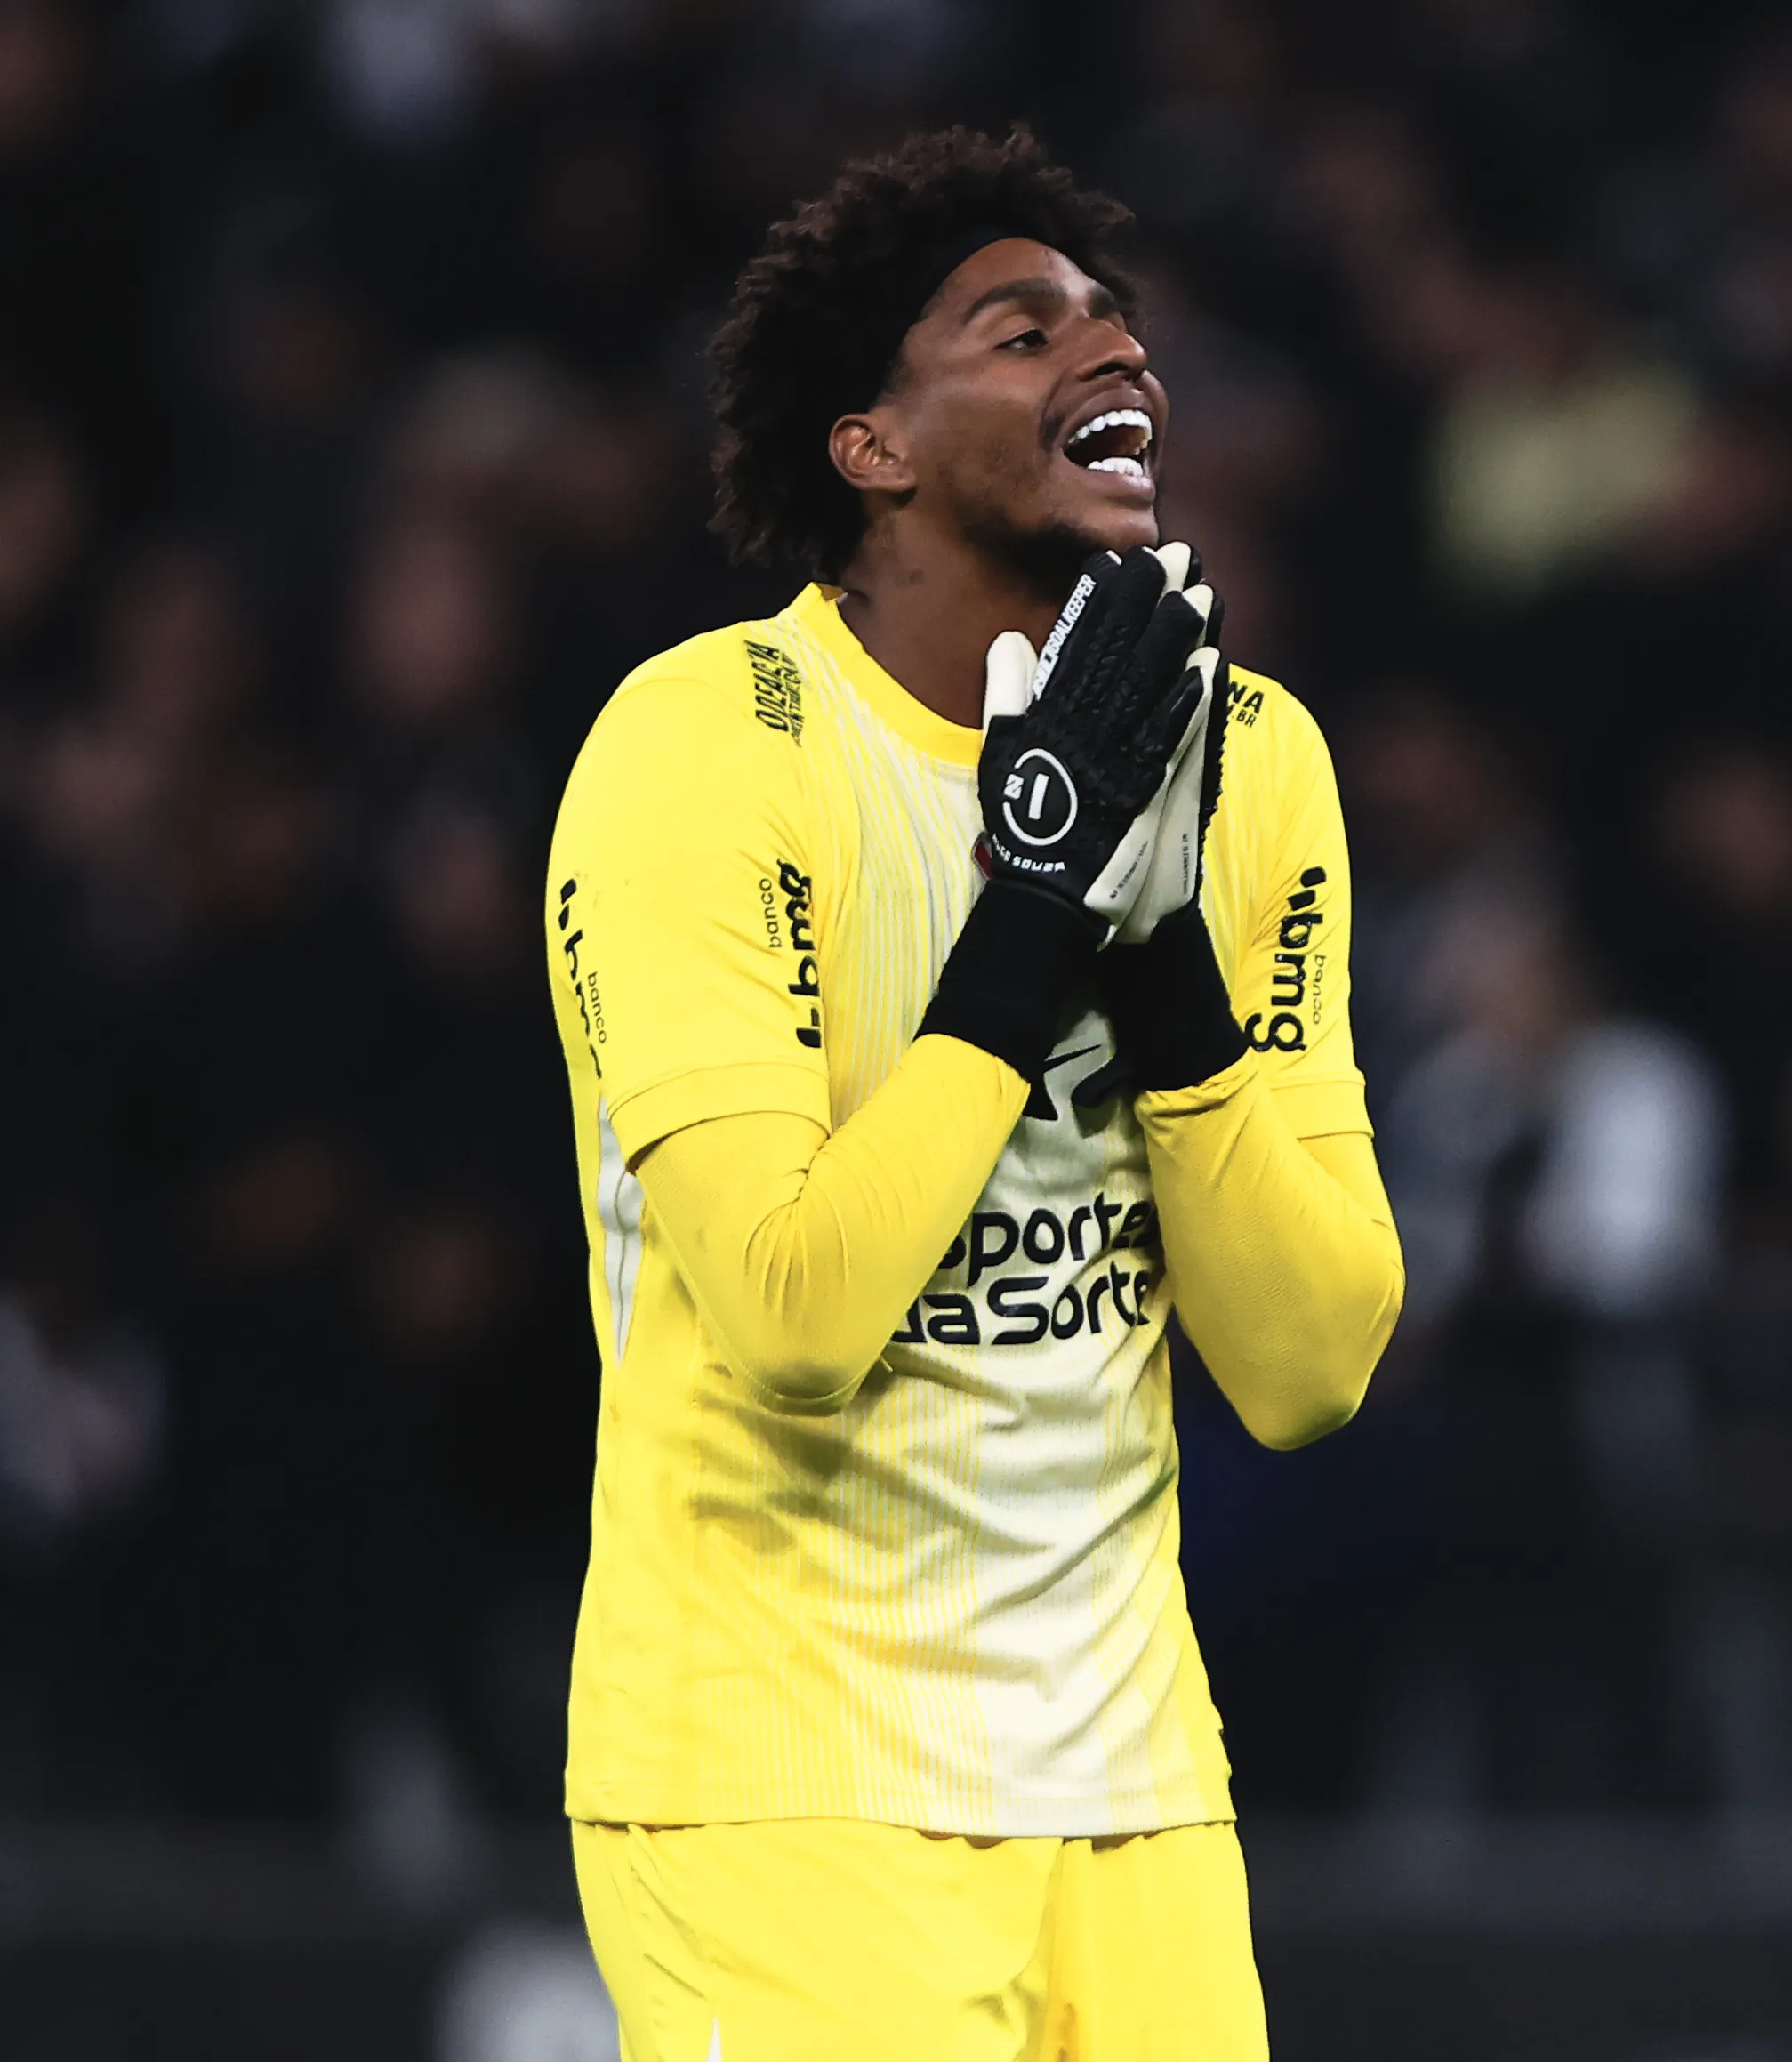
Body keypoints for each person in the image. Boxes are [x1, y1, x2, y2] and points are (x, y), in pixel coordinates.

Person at [541, 126, 1403, 2059]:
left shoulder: (1250, 760)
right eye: (1022, 332)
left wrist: (1160, 945)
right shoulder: (701, 752)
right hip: (778, 1775)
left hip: (1133, 1792)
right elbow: (786, 1312)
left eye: (1118, 327)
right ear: (873, 446)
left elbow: (1310, 1361)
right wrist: (1030, 923)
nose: (1114, 360)